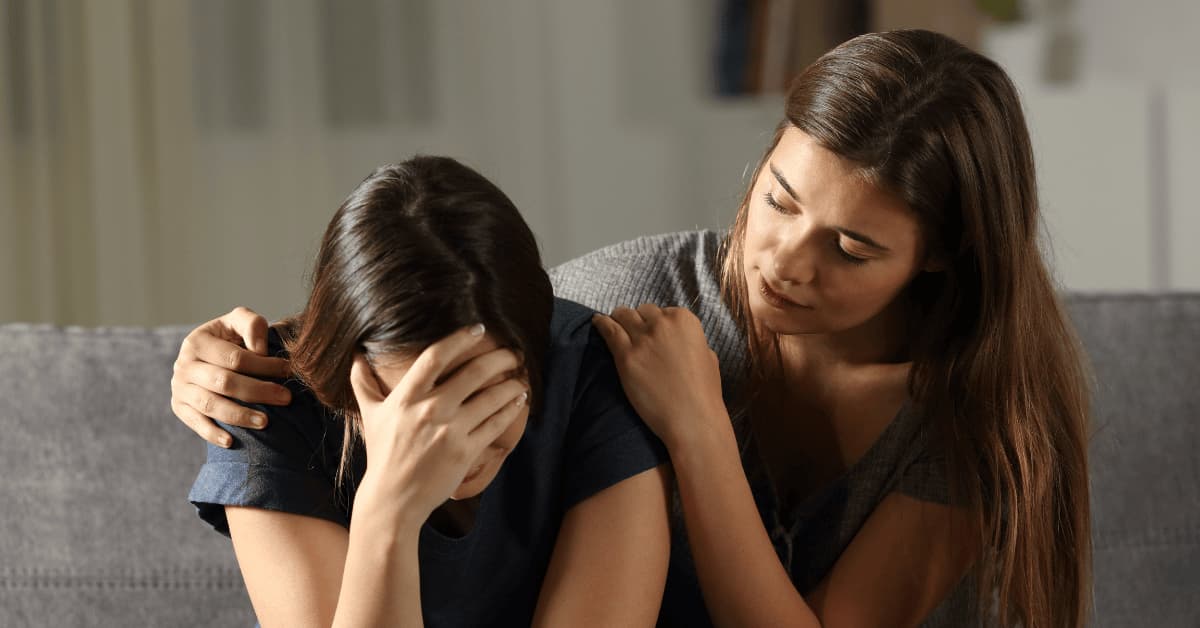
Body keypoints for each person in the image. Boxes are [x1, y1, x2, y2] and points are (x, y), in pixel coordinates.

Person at [171, 30, 1091, 627]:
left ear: (940, 256)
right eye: (777, 198)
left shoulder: (982, 420)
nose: (783, 260)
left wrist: (696, 430)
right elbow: (452, 307)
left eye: (851, 248)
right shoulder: (627, 302)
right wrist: (231, 358)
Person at [182, 156, 673, 627]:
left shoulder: (592, 371)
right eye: (419, 407)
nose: (458, 445)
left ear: (533, 356)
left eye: (487, 397)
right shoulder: (262, 395)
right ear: (351, 373)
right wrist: (388, 509)